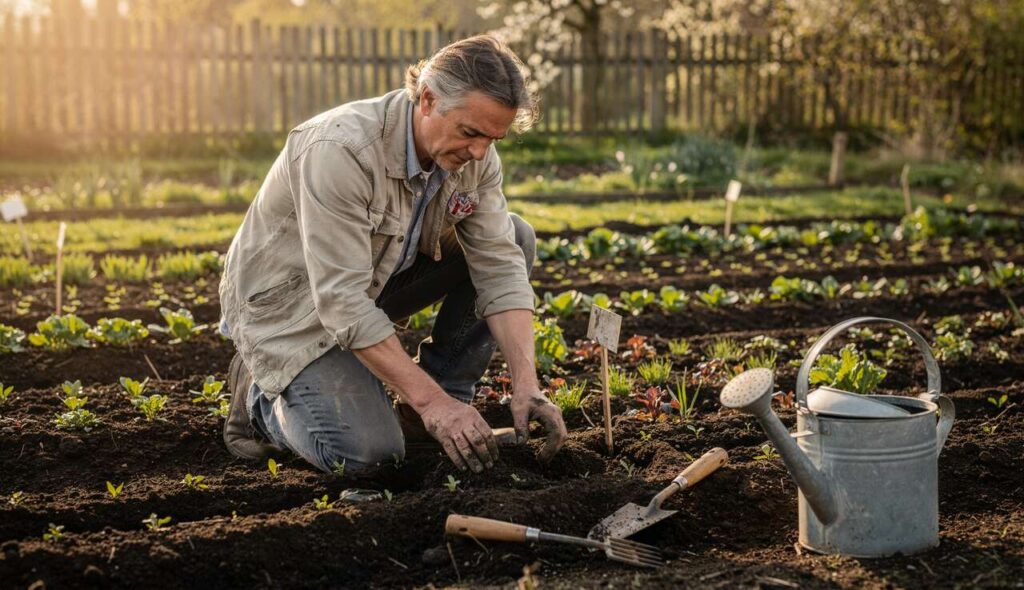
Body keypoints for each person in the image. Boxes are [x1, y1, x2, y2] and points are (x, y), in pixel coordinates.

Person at [218, 35, 567, 475]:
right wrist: (432, 404)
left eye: (493, 138)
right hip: (290, 308)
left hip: (369, 283)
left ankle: (438, 404)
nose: (480, 152)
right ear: (427, 99)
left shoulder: (475, 156)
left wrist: (527, 385)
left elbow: (499, 265)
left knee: (515, 237)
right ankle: (259, 401)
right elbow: (342, 302)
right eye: (470, 132)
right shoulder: (341, 150)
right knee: (371, 456)